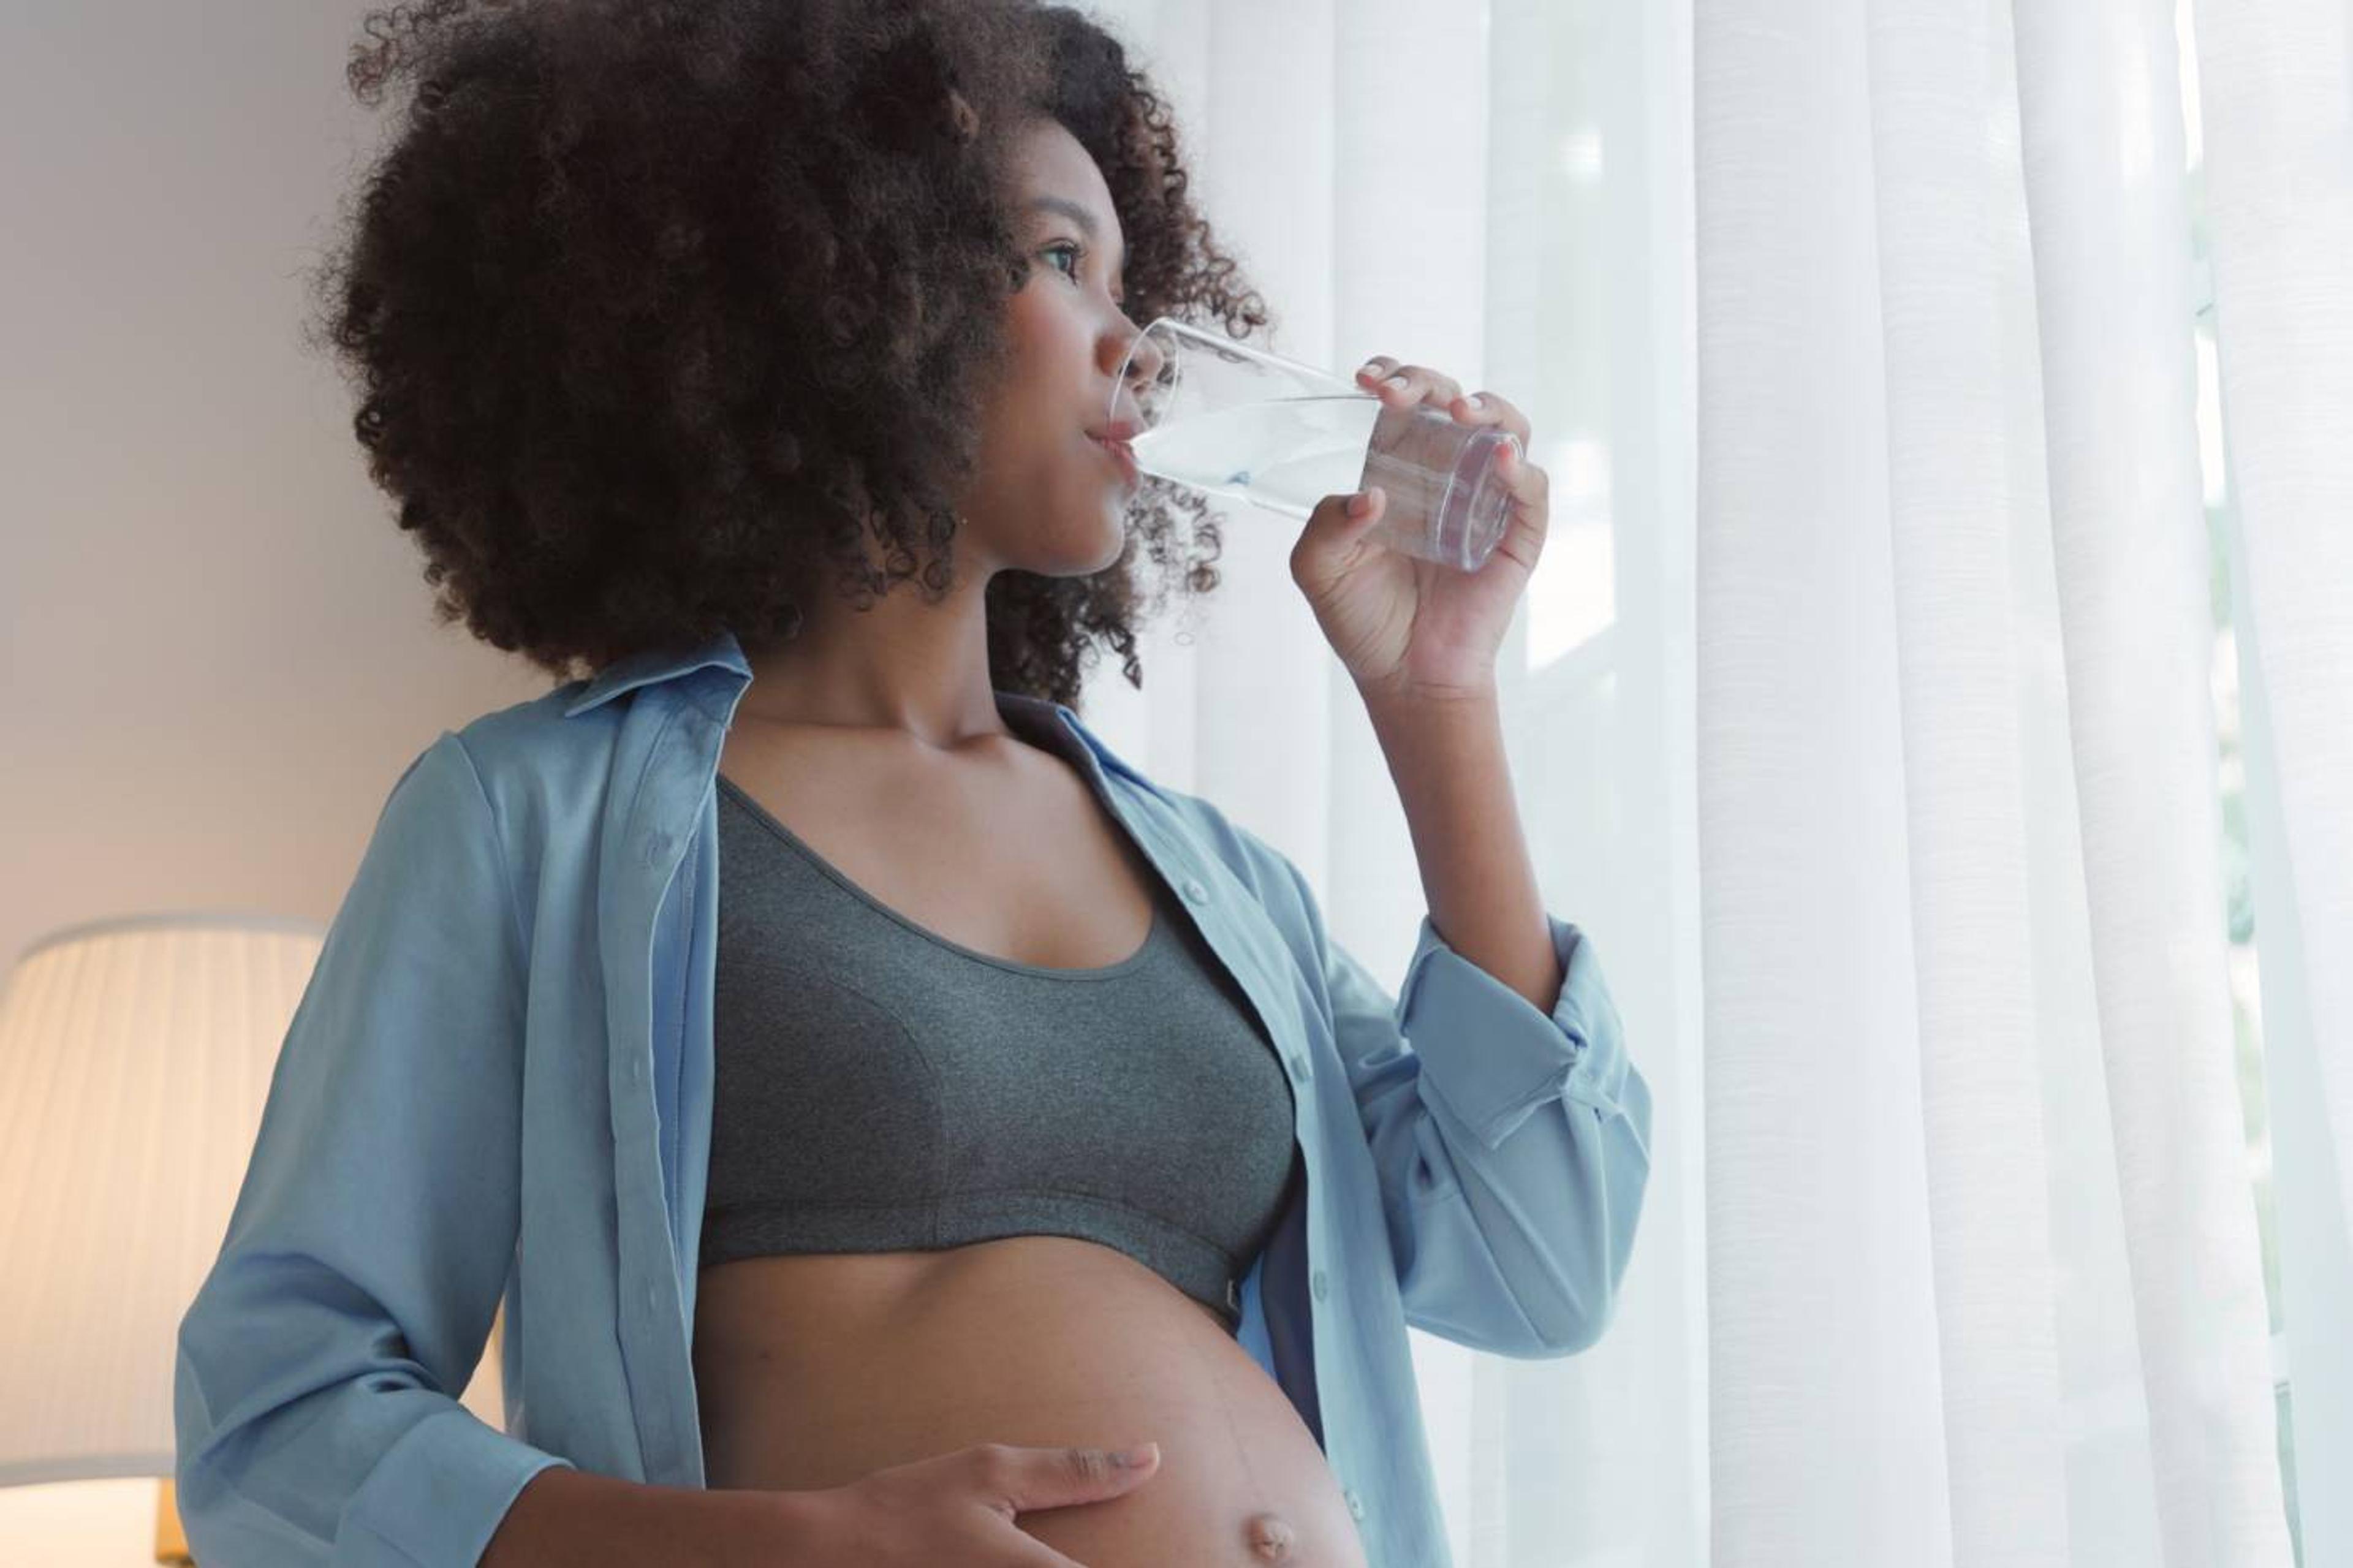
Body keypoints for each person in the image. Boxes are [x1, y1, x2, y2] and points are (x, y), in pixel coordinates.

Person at [170, 1, 1655, 1564]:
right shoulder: (534, 823)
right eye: (1062, 260)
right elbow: (281, 1419)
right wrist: (794, 1546)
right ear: (844, 283)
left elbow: (1544, 1263)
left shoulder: (1224, 887)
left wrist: (1436, 696)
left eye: (1131, 283)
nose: (1135, 350)